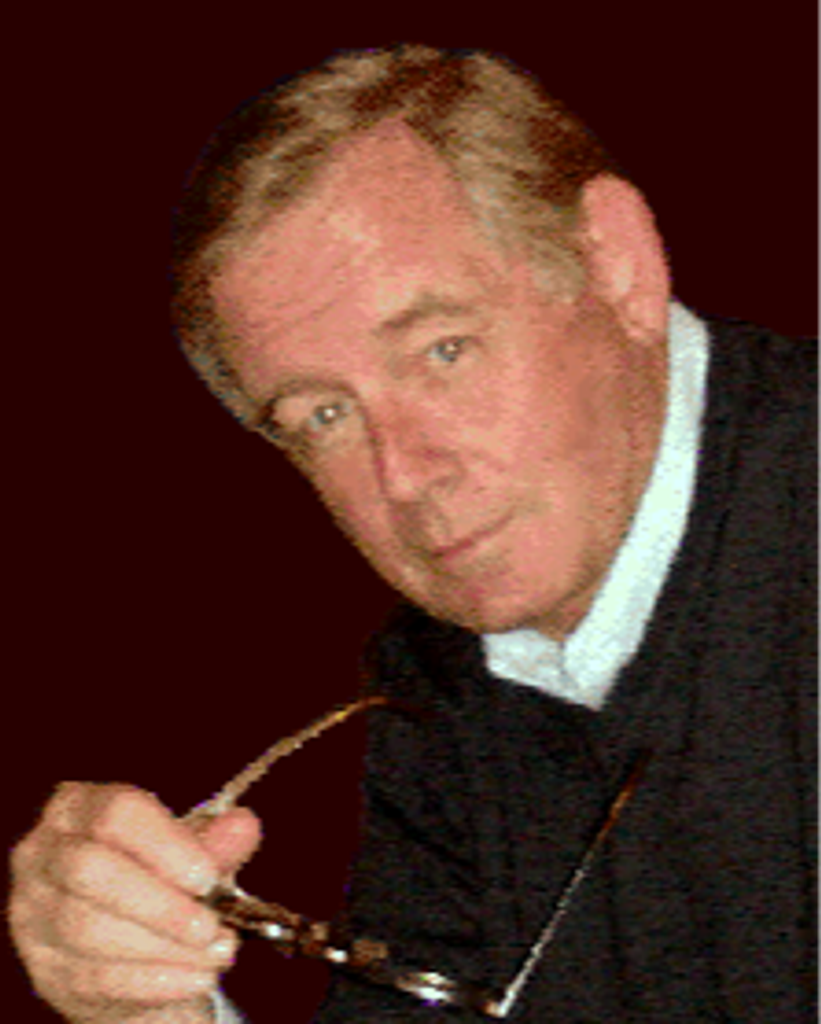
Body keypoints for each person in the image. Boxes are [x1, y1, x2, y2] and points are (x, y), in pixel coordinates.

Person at [9, 44, 819, 1023]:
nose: (403, 474)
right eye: (323, 415)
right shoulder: (441, 691)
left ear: (615, 266)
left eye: (442, 350)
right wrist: (153, 1011)